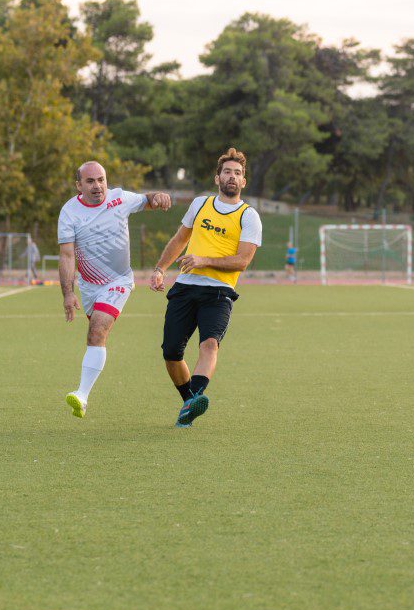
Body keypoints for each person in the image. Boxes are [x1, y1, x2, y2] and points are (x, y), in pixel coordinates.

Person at [150, 148, 262, 427]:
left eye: (237, 173)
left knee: (209, 344)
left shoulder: (249, 216)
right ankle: (190, 403)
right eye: (227, 172)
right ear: (217, 178)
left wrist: (203, 260)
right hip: (185, 287)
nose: (232, 176)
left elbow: (242, 261)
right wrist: (160, 269)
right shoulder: (200, 204)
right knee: (171, 353)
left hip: (219, 291)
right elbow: (180, 239)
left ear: (244, 181)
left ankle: (193, 399)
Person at [58, 162, 171, 418]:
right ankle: (82, 398)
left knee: (97, 329)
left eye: (101, 179)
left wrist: (159, 197)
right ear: (79, 186)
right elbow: (66, 256)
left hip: (118, 281)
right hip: (88, 287)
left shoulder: (120, 198)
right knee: (94, 336)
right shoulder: (69, 212)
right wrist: (68, 293)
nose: (97, 185)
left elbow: (148, 200)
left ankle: (81, 394)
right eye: (90, 181)